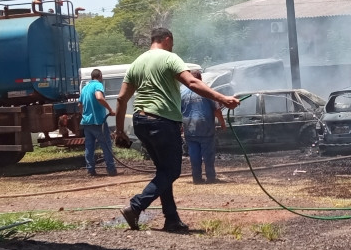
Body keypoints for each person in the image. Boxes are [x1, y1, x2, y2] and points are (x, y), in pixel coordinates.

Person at [116, 28, 239, 232]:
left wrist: (119, 131)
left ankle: (171, 219)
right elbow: (191, 82)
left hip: (140, 121)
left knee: (164, 171)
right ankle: (135, 206)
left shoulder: (136, 63)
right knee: (171, 171)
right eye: (171, 43)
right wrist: (222, 98)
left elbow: (121, 99)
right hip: (162, 122)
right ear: (167, 39)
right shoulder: (169, 58)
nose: (172, 46)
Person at [181, 69, 227, 184]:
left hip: (189, 128)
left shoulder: (182, 93)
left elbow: (178, 111)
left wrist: (180, 126)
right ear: (200, 79)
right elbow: (217, 110)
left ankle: (196, 178)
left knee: (194, 154)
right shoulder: (207, 91)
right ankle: (211, 177)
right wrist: (222, 123)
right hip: (205, 127)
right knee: (208, 155)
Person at [79, 68, 117, 176]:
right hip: (98, 122)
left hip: (87, 123)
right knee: (106, 145)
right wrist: (110, 110)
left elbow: (79, 105)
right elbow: (99, 97)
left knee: (89, 147)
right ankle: (111, 169)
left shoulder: (85, 88)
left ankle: (90, 170)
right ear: (100, 76)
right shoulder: (98, 85)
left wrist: (84, 115)